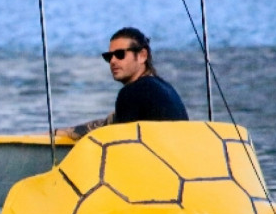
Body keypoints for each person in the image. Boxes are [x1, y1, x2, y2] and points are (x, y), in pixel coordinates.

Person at [57, 27, 189, 139]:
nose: (113, 61)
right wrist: (62, 133)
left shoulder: (132, 92)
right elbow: (108, 123)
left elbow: (121, 145)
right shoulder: (163, 88)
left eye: (120, 54)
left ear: (142, 55)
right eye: (109, 57)